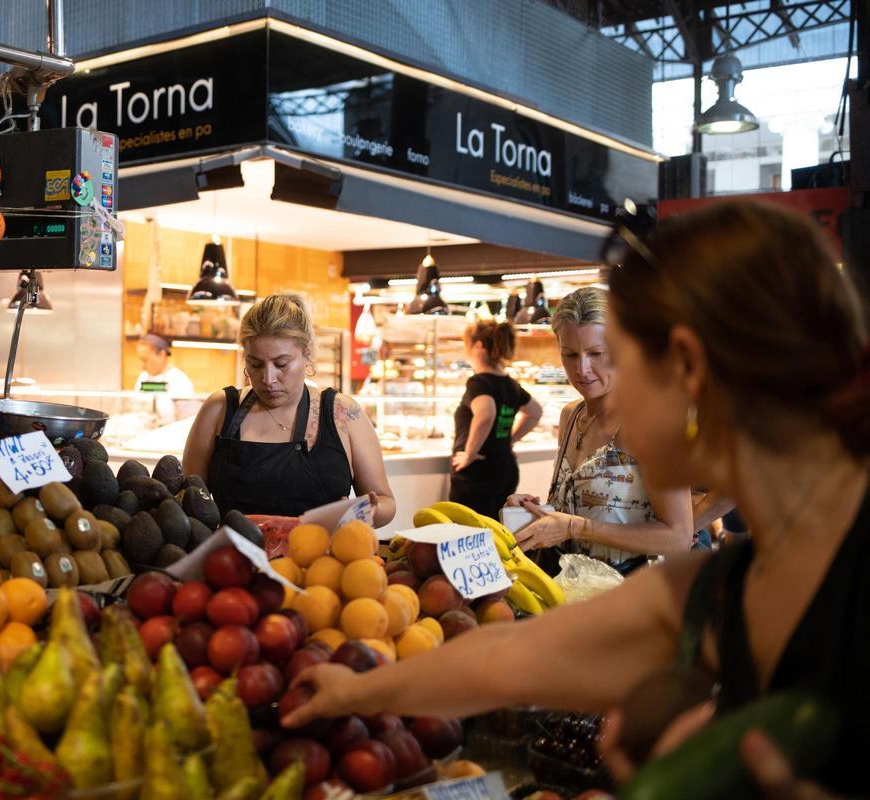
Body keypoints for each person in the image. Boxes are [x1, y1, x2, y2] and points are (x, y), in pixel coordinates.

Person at [283, 200, 869, 797]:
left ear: (687, 367)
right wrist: (354, 692)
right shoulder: (726, 586)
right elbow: (510, 657)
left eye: (621, 359)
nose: (597, 382)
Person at [506, 286, 693, 574]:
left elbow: (678, 536)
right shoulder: (571, 415)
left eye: (597, 353)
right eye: (569, 354)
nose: (582, 369)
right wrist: (539, 512)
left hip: (631, 598)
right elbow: (581, 508)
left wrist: (576, 528)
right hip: (569, 590)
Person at [183, 294, 396, 527]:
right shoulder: (219, 410)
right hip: (233, 559)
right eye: (255, 364)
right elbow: (188, 499)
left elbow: (386, 502)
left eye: (281, 363)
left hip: (322, 560)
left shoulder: (342, 413)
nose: (268, 378)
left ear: (307, 353)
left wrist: (365, 511)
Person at [449, 320, 542, 519]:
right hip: (504, 468)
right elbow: (535, 413)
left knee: (470, 536)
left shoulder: (479, 382)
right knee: (496, 532)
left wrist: (469, 453)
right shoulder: (510, 384)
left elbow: (486, 414)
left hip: (477, 474)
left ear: (479, 346)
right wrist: (509, 440)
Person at [134, 334, 196, 423]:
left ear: (162, 355)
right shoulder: (143, 377)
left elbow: (187, 421)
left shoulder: (180, 381)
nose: (142, 366)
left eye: (145, 360)